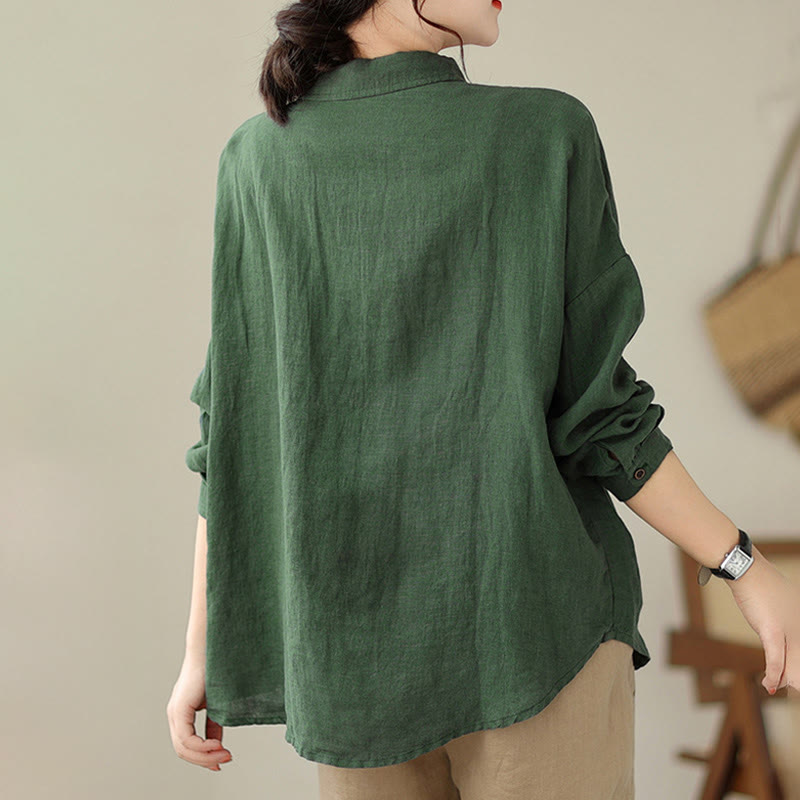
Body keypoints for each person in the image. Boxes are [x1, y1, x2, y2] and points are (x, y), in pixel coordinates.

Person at [166, 1, 800, 797]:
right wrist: (743, 565)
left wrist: (202, 652)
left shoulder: (257, 157)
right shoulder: (544, 133)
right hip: (535, 631)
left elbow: (234, 432)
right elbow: (602, 414)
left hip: (352, 654)